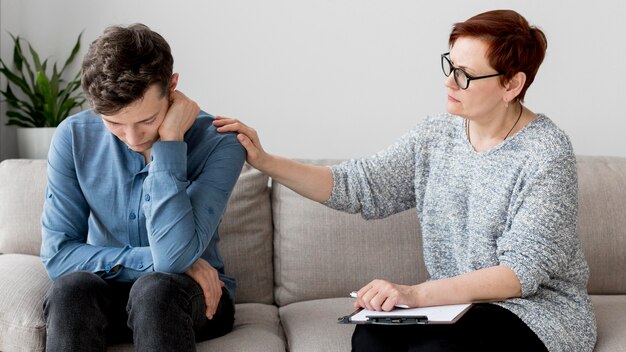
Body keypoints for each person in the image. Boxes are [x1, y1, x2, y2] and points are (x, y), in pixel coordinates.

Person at [213, 9, 597, 352]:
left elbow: (520, 274)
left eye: (465, 75)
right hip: (457, 306)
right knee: (371, 336)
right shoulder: (435, 136)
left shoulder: (546, 152)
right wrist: (264, 160)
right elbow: (357, 186)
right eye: (450, 65)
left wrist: (414, 294)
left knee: (437, 347)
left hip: (535, 312)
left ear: (512, 85)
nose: (449, 82)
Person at [40, 24, 245, 351]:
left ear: (172, 86)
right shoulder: (73, 137)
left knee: (154, 290)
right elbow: (58, 255)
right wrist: (153, 258)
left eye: (147, 120)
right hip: (107, 292)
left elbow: (172, 259)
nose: (133, 139)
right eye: (115, 124)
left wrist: (170, 142)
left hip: (190, 296)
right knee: (70, 290)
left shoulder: (222, 143)